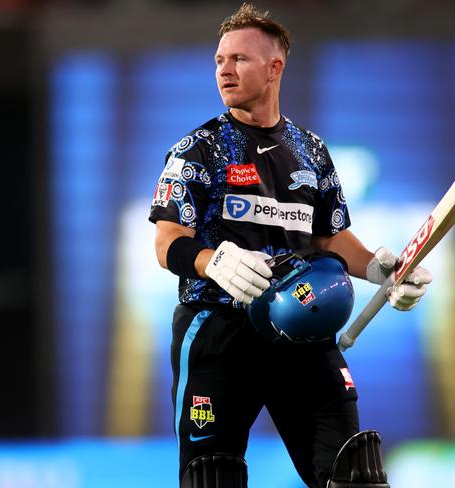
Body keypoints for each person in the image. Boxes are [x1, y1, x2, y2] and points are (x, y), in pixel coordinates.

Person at [149, 4, 432, 487]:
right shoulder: (197, 149)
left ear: (274, 67)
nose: (224, 69)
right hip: (220, 331)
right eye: (219, 59)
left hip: (302, 330)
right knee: (209, 477)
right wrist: (213, 261)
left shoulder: (312, 152)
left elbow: (331, 236)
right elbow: (167, 240)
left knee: (354, 474)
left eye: (239, 59)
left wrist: (384, 271)